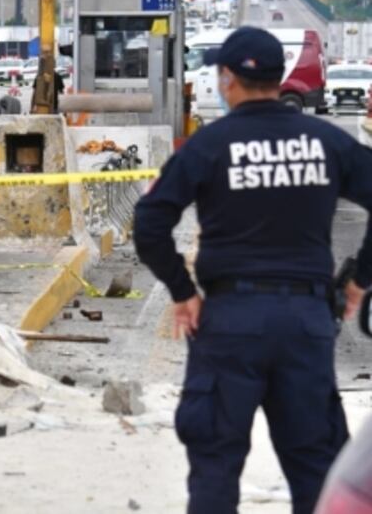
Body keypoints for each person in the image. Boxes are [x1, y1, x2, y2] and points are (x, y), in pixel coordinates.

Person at [133, 27, 372, 514]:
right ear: (277, 77)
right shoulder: (325, 140)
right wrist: (359, 280)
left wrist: (183, 293)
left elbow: (150, 220)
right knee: (315, 466)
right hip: (305, 322)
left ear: (227, 79)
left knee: (216, 461)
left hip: (230, 320)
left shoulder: (209, 145)